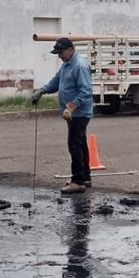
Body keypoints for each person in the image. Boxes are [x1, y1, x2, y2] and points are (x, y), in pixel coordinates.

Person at [31, 37, 94, 194]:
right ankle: (85, 177)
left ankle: (78, 181)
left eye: (61, 52)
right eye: (57, 53)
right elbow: (56, 81)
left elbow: (86, 91)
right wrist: (42, 91)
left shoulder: (79, 66)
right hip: (72, 113)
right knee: (80, 143)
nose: (59, 56)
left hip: (79, 113)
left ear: (70, 50)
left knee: (74, 144)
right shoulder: (67, 64)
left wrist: (71, 106)